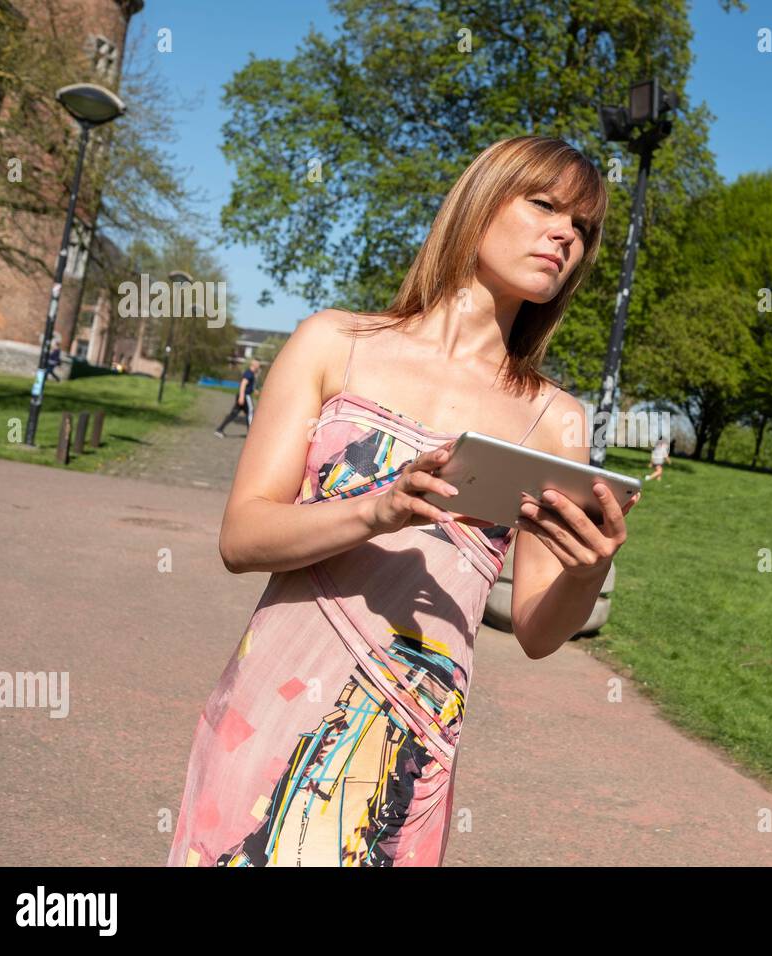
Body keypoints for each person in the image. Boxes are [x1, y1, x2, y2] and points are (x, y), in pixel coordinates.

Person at [167, 136, 641, 868]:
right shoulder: (335, 343)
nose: (565, 236)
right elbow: (242, 536)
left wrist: (585, 571)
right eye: (544, 205)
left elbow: (539, 629)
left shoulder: (559, 419)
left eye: (584, 228)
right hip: (268, 716)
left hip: (403, 750)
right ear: (479, 203)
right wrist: (378, 509)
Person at [214, 359, 261, 437]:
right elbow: (243, 384)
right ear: (254, 365)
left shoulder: (250, 373)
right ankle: (251, 434)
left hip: (242, 396)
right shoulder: (249, 373)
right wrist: (242, 397)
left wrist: (254, 390)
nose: (259, 366)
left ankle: (219, 430)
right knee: (250, 413)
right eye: (258, 364)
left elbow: (248, 385)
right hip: (245, 396)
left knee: (233, 414)